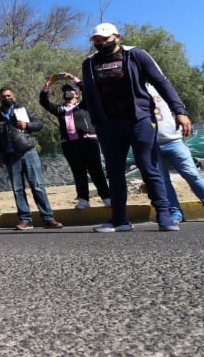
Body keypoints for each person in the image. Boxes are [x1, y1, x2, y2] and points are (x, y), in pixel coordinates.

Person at [80, 22, 190, 233]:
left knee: (149, 166)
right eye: (97, 41)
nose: (101, 44)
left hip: (139, 120)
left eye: (105, 39)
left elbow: (161, 81)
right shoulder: (89, 63)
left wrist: (180, 111)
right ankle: (119, 219)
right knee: (114, 172)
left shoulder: (135, 55)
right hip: (108, 125)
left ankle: (164, 216)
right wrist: (96, 121)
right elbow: (90, 95)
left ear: (117, 37)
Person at [147, 84, 204, 222]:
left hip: (173, 141)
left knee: (193, 175)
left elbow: (178, 106)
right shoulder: (131, 90)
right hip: (149, 145)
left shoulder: (161, 86)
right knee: (162, 182)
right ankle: (176, 213)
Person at [0, 87, 63, 230]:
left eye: (9, 95)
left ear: (14, 96)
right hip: (11, 157)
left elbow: (39, 124)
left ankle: (48, 218)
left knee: (38, 186)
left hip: (29, 153)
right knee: (18, 189)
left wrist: (27, 125)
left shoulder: (23, 110)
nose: (6, 98)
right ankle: (25, 220)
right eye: (3, 97)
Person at [39, 73, 111, 209]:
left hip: (88, 142)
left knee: (96, 171)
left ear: (77, 94)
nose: (67, 92)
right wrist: (47, 85)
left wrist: (74, 79)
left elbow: (88, 91)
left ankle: (106, 197)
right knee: (78, 172)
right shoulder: (60, 110)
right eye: (65, 91)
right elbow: (44, 102)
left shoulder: (83, 106)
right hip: (70, 145)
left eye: (70, 90)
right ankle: (83, 199)